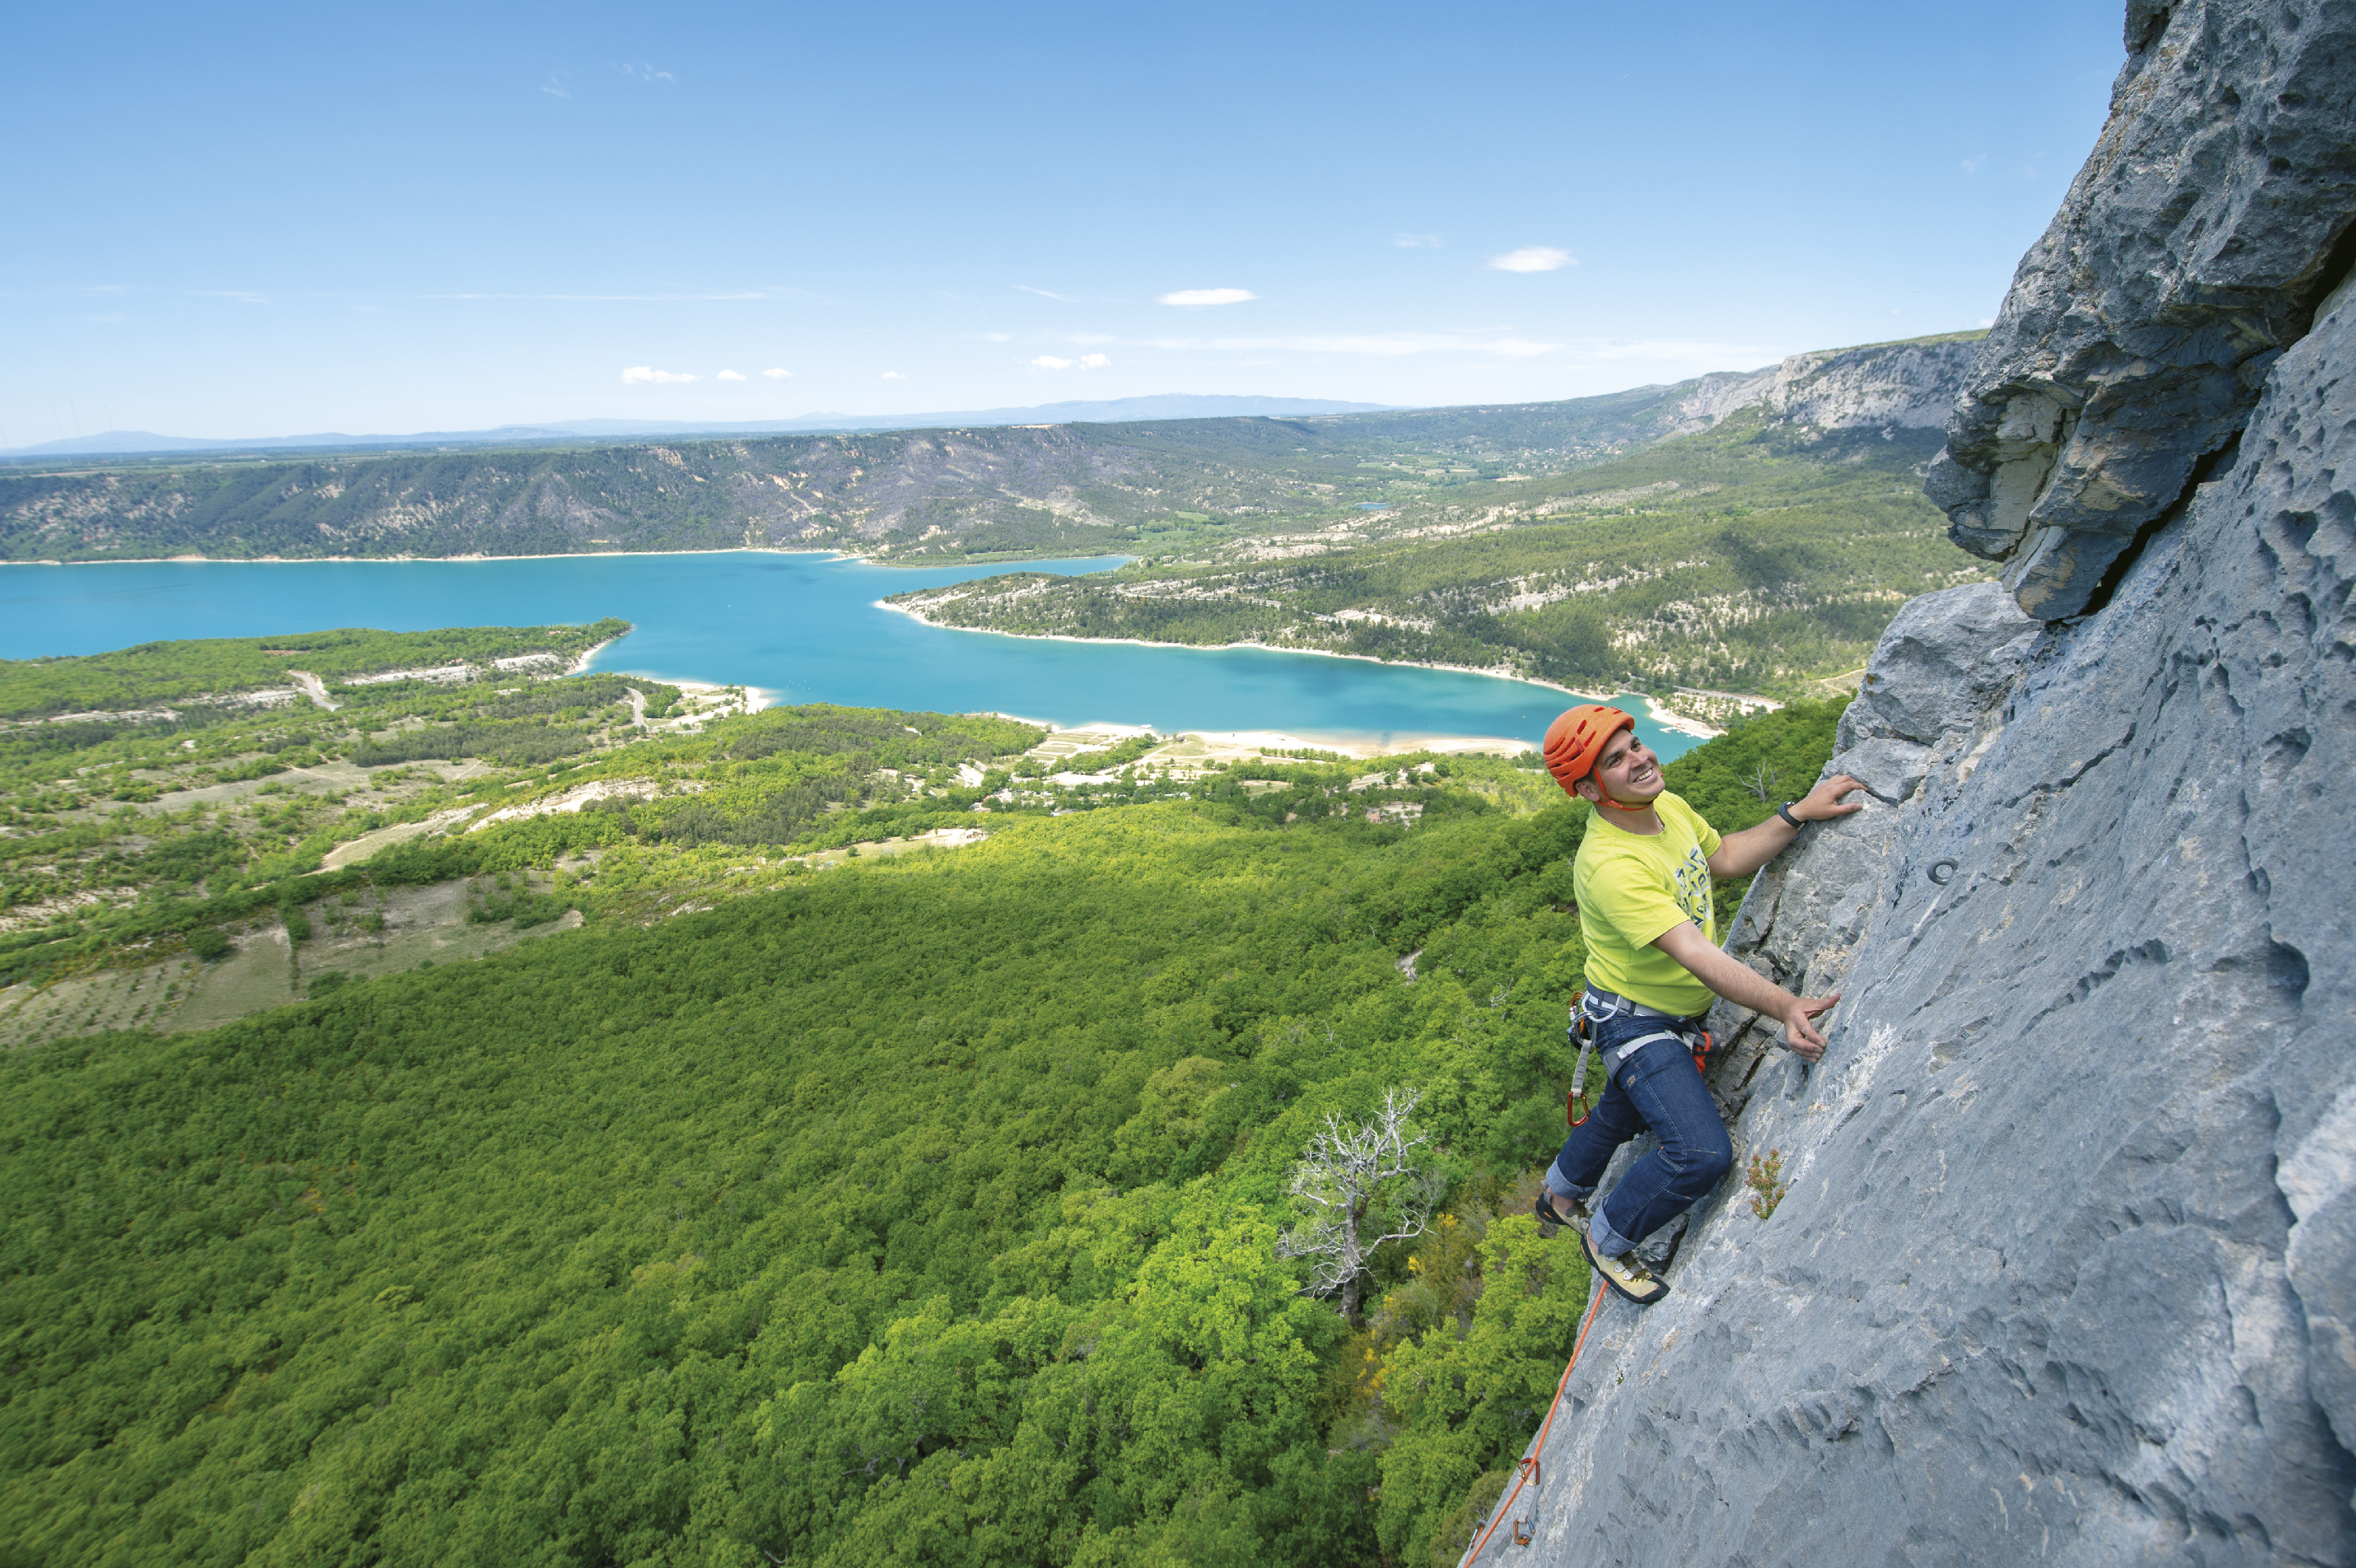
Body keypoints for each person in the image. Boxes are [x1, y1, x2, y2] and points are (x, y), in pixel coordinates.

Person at [1533, 704, 1864, 1305]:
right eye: (1616, 760)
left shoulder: (1665, 808)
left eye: (1634, 745)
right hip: (1635, 1022)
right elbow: (1695, 953)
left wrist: (1795, 814)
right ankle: (1606, 1239)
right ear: (1587, 788)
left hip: (1662, 1010)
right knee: (1701, 1154)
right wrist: (1785, 1004)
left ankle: (1558, 1193)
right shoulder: (1610, 864)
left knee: (1624, 1109)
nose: (1640, 759)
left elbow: (1725, 859)